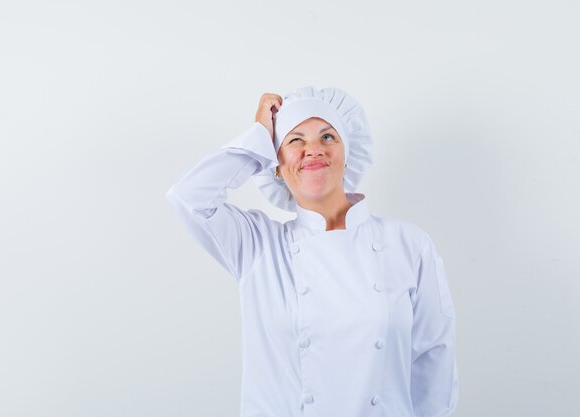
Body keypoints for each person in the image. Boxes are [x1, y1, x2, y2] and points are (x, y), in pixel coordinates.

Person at [166, 86, 459, 417]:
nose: (313, 150)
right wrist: (259, 136)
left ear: (348, 153)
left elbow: (434, 364)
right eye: (295, 141)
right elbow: (187, 198)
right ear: (275, 165)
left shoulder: (408, 244)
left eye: (328, 137)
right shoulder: (257, 246)